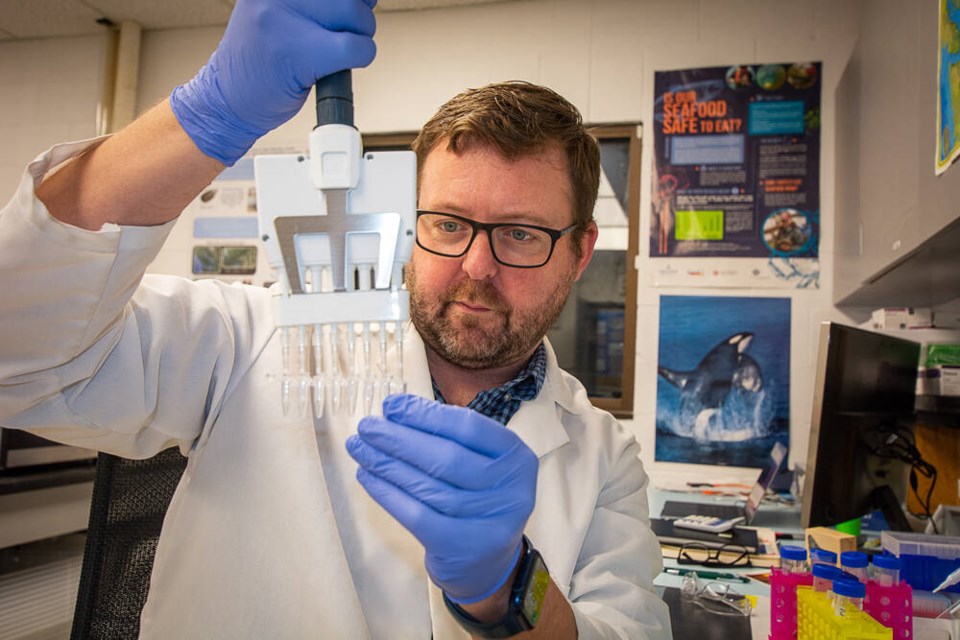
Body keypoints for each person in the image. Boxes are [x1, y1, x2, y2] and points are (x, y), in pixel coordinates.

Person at [0, 0, 670, 638]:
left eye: (521, 234)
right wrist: (206, 116)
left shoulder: (606, 459)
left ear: (579, 252)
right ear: (411, 223)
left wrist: (507, 588)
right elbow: (23, 361)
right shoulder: (254, 339)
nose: (475, 267)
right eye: (447, 223)